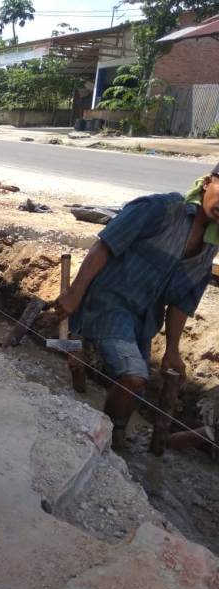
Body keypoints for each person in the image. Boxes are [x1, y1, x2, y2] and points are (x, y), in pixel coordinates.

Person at [55, 167, 219, 449]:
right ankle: (102, 439)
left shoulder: (210, 246)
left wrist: (172, 350)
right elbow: (104, 246)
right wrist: (74, 293)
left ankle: (112, 429)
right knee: (134, 376)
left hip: (144, 320)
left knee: (136, 389)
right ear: (207, 183)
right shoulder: (160, 209)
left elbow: (183, 300)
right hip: (108, 303)